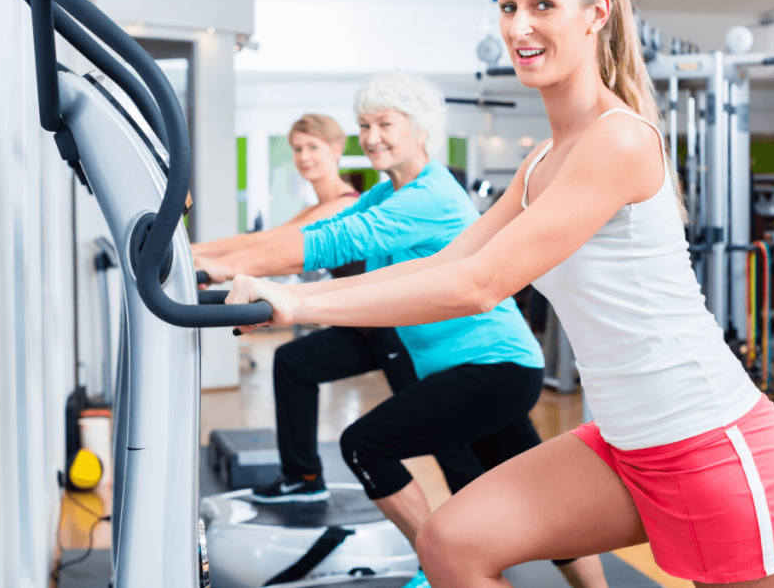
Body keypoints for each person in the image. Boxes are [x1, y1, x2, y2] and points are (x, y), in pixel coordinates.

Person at [225, 0, 774, 587]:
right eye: (508, 6)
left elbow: (478, 284)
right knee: (452, 543)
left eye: (542, 4)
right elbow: (445, 263)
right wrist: (290, 296)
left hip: (711, 444)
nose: (519, 25)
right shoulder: (541, 160)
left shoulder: (617, 141)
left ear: (597, 13)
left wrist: (297, 304)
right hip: (624, 447)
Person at [214, 70, 608, 588]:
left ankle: (438, 566)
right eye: (364, 126)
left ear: (419, 129)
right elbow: (327, 233)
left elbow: (334, 243)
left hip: (492, 367)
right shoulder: (384, 193)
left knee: (365, 444)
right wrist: (209, 260)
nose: (371, 137)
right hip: (483, 368)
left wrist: (226, 269)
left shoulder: (429, 196)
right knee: (544, 501)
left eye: (384, 124)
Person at [192, 113, 361, 281]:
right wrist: (196, 255)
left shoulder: (348, 204)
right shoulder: (312, 209)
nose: (303, 157)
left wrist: (205, 257)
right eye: (297, 149)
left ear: (336, 150)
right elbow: (267, 240)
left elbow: (273, 240)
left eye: (313, 147)